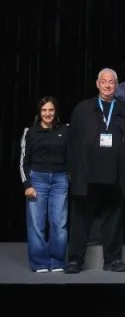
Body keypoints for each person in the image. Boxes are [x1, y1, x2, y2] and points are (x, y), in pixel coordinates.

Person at [66, 69, 125, 274]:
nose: (107, 85)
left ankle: (112, 260)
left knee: (114, 219)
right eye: (104, 82)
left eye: (111, 82)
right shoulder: (82, 109)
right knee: (80, 219)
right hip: (86, 176)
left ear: (117, 85)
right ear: (97, 84)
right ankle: (75, 259)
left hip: (117, 176)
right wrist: (71, 171)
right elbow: (72, 143)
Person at [20, 97, 69, 272]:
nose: (47, 113)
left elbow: (72, 156)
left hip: (60, 180)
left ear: (56, 111)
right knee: (36, 224)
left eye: (51, 110)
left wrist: (69, 177)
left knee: (59, 223)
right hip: (37, 180)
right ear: (39, 112)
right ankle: (39, 262)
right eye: (44, 110)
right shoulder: (30, 132)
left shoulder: (66, 130)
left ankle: (57, 261)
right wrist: (27, 185)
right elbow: (23, 162)